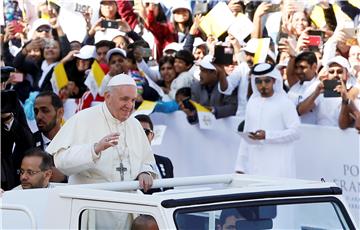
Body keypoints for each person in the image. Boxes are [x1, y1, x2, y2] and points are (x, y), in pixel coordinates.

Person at [46, 74, 157, 191]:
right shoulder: (82, 119)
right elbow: (60, 162)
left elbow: (146, 160)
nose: (129, 105)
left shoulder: (135, 124)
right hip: (91, 199)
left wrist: (145, 172)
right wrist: (94, 150)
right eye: (124, 99)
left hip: (128, 198)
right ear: (108, 97)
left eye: (133, 100)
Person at [235, 63, 300, 178]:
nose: (263, 85)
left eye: (267, 81)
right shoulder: (252, 102)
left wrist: (268, 135)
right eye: (259, 82)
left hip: (278, 166)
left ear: (274, 81)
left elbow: (296, 132)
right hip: (255, 165)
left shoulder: (284, 103)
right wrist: (240, 167)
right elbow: (246, 136)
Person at [134, 114, 174, 190]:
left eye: (145, 132)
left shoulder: (166, 162)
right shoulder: (126, 163)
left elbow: (170, 191)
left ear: (152, 135)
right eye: (137, 131)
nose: (141, 135)